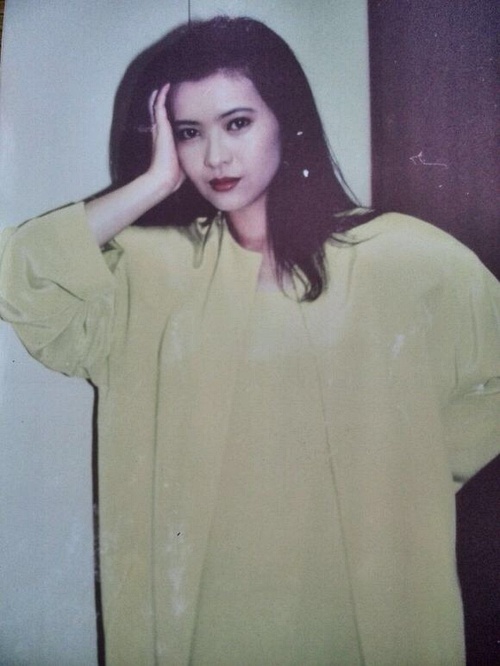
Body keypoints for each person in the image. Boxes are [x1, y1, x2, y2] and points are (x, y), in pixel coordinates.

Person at [0, 16, 499, 666]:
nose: (215, 157)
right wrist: (153, 184)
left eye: (237, 123)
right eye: (189, 133)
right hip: (205, 618)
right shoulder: (154, 273)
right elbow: (18, 277)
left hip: (358, 612)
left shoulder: (398, 258)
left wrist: (414, 468)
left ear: (288, 121)